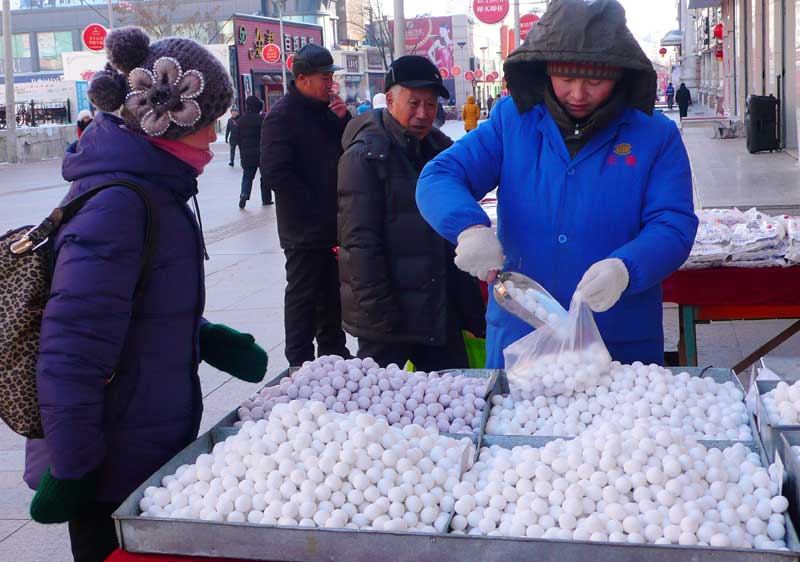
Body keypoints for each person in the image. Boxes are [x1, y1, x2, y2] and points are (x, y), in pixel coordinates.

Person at [23, 27, 268, 562]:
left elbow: (129, 311)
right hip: (107, 467)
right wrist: (73, 467)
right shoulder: (121, 205)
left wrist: (202, 337)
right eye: (207, 124)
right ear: (165, 120)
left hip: (144, 444)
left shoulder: (156, 190)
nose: (212, 138)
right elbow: (71, 350)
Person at [416, 0, 698, 369]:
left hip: (617, 338)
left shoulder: (654, 136)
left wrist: (627, 268)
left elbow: (673, 223)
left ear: (619, 75)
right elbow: (440, 176)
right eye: (565, 79)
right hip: (524, 337)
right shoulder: (512, 121)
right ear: (545, 70)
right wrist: (468, 228)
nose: (578, 94)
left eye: (594, 81)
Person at [338, 56, 485, 371]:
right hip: (388, 321)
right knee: (381, 413)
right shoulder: (365, 156)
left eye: (430, 105)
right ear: (390, 99)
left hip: (438, 312)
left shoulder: (442, 152)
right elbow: (360, 243)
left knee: (452, 405)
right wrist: (378, 316)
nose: (423, 114)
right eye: (414, 102)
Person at [260, 43, 351, 366]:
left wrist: (343, 120)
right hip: (303, 227)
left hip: (331, 223)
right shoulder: (282, 116)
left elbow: (345, 153)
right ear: (302, 79)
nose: (330, 84)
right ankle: (298, 359)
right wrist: (314, 208)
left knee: (331, 292)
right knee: (302, 294)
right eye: (324, 77)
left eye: (331, 77)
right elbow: (275, 172)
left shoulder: (327, 112)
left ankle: (333, 351)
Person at [237, 96, 272, 208]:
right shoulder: (262, 120)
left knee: (247, 176)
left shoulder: (241, 120)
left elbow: (238, 139)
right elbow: (268, 136)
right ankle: (266, 199)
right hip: (262, 152)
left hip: (247, 153)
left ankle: (244, 194)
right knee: (265, 177)